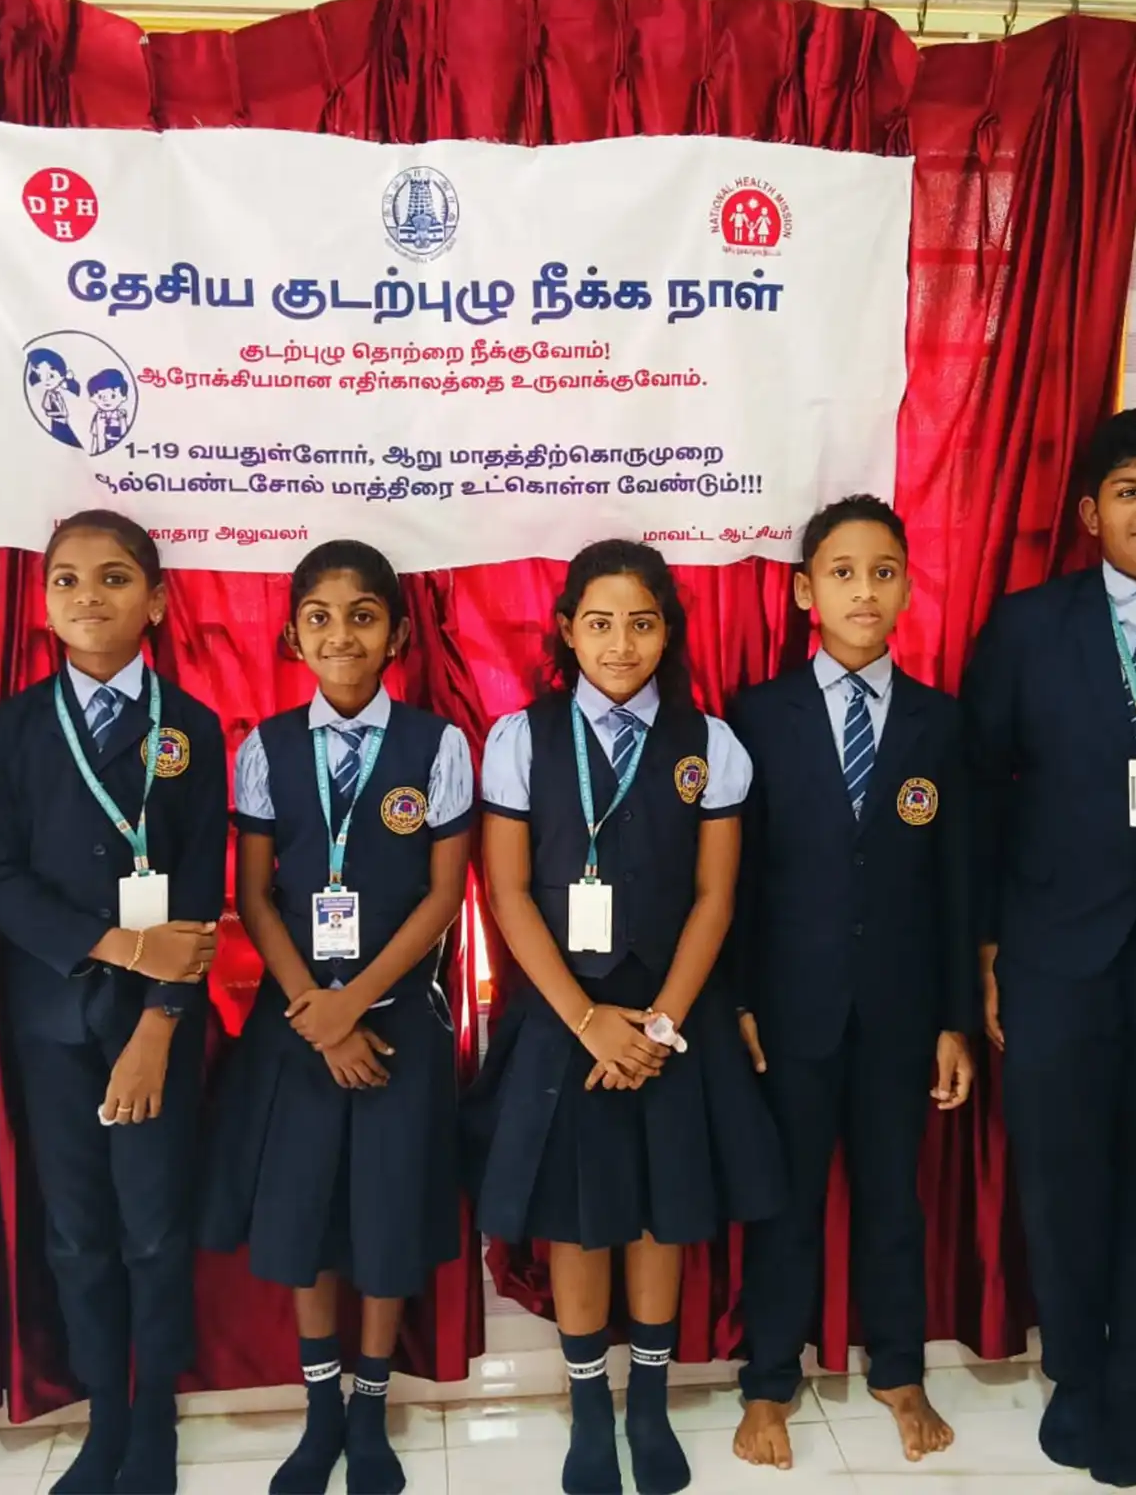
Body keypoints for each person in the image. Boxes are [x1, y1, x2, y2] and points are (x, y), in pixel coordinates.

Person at [963, 406, 1136, 1489]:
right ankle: (1076, 1372)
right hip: (1052, 950)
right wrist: (986, 947)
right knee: (1059, 1172)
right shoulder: (1027, 626)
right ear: (1090, 513)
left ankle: (1134, 1384)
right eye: (1130, 490)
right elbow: (980, 796)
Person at [466, 539, 782, 1495]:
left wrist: (659, 1025)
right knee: (579, 1218)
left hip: (671, 1020)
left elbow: (715, 899)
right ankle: (589, 1410)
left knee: (660, 1213)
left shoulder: (711, 743)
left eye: (642, 624)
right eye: (599, 624)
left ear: (667, 633)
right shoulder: (519, 739)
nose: (620, 644)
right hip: (563, 1020)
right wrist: (587, 1020)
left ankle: (648, 1401)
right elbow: (507, 894)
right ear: (567, 631)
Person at [201, 540, 472, 1495]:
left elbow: (444, 896)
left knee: (388, 1218)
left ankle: (370, 1412)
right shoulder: (266, 748)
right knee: (305, 1215)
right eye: (319, 617)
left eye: (362, 616)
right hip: (299, 1025)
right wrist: (317, 1014)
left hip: (398, 1020)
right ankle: (321, 1413)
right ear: (292, 635)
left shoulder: (438, 745)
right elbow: (255, 894)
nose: (340, 635)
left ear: (396, 634)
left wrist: (356, 1004)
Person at [0, 509, 227, 1495]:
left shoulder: (192, 727)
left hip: (157, 1022)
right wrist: (116, 942)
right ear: (43, 604)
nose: (89, 596)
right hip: (51, 1016)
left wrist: (159, 1024)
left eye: (115, 577)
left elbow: (199, 892)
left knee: (155, 1226)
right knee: (77, 1229)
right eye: (68, 579)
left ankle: (154, 1414)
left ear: (157, 601)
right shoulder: (10, 728)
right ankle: (104, 1418)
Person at [728, 494, 975, 1471]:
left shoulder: (939, 721)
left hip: (900, 1012)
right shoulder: (756, 714)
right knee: (784, 1201)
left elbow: (957, 882)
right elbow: (736, 879)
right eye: (842, 572)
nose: (863, 590)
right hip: (790, 1010)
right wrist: (740, 1001)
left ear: (909, 587)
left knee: (891, 1200)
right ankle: (766, 1382)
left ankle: (899, 1371)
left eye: (882, 571)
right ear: (805, 592)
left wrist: (954, 1018)